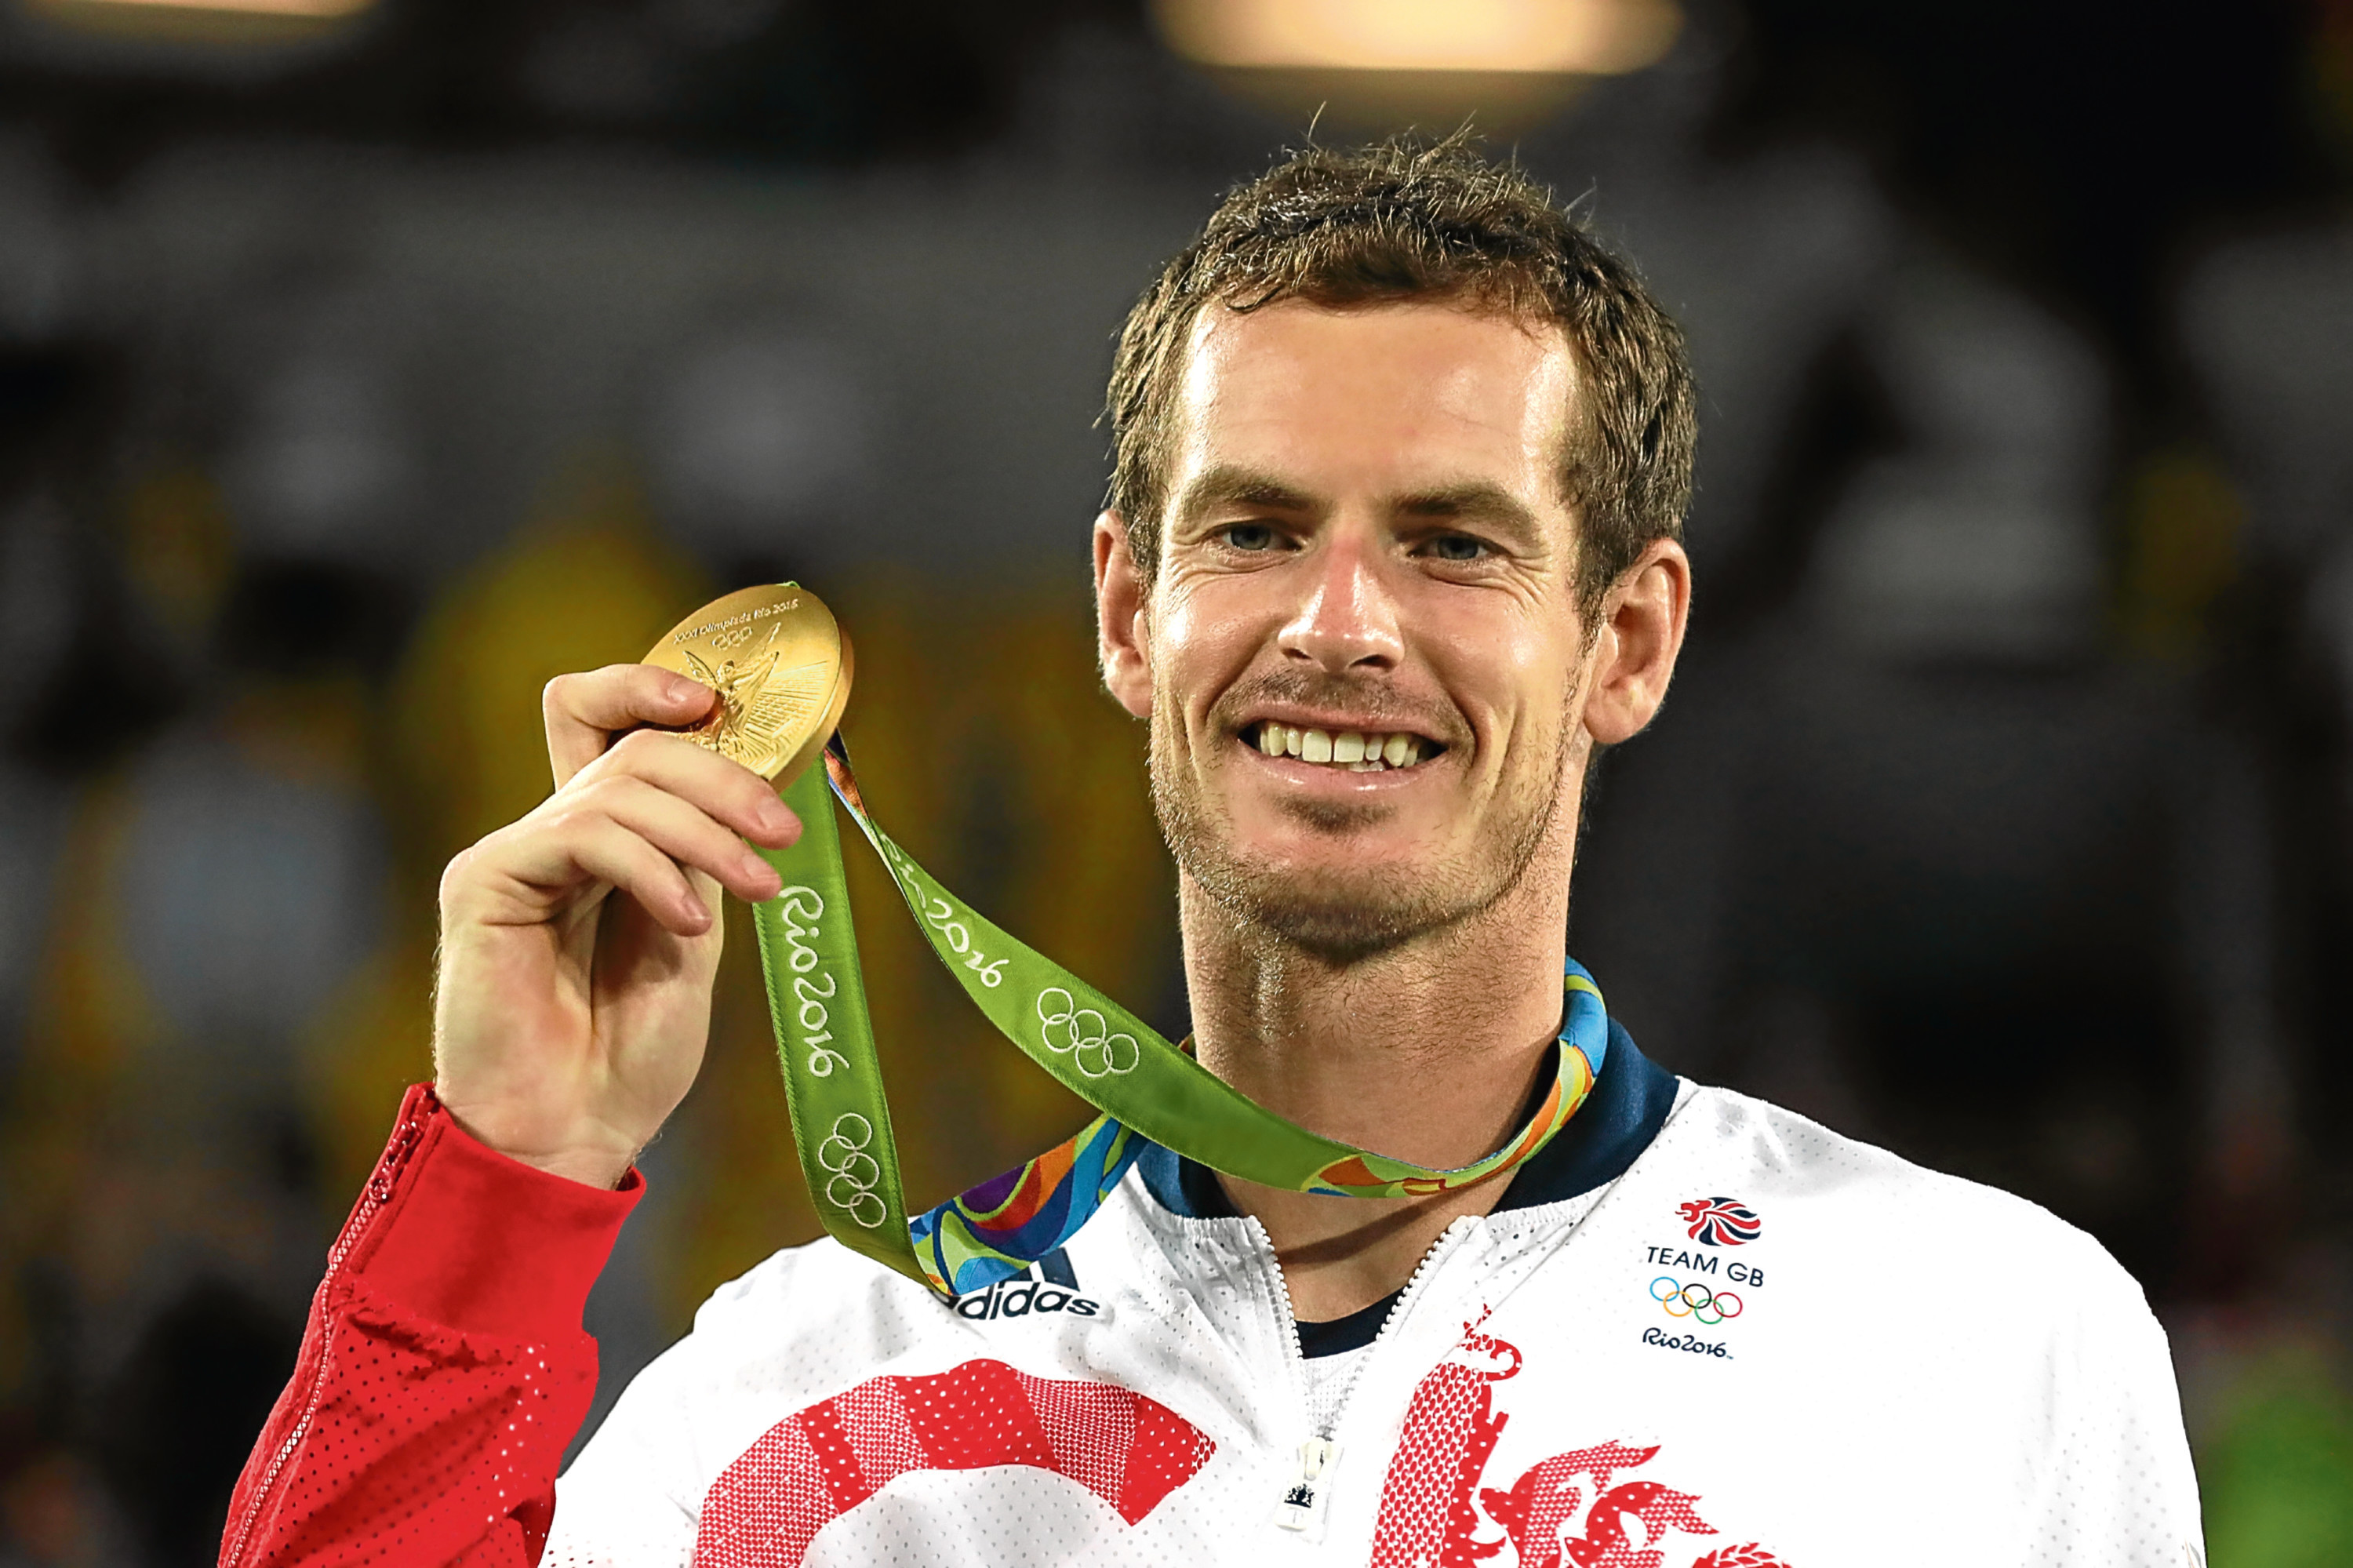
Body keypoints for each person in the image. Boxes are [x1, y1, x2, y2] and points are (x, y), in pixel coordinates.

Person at [218, 136, 2203, 1568]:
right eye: (1253, 529)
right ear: (1124, 615)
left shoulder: (1978, 1339)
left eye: (1452, 540)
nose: (1337, 620)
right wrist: (507, 1184)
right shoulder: (805, 1405)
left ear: (1629, 638)